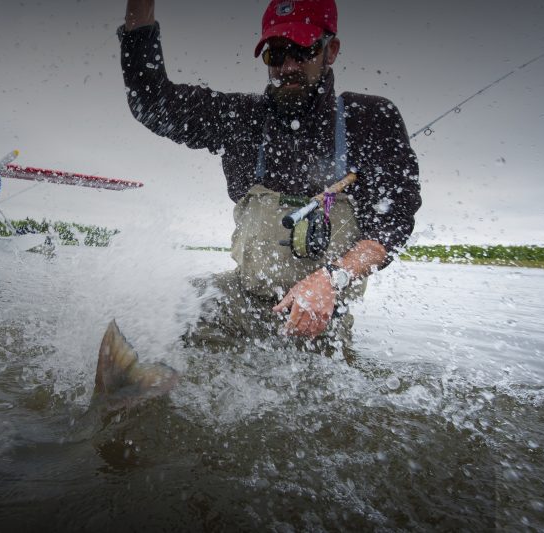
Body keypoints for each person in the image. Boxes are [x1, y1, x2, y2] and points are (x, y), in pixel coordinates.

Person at [119, 0, 421, 356]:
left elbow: (392, 227)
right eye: (276, 55)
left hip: (320, 318)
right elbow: (152, 103)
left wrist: (331, 278)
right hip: (241, 300)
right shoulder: (241, 119)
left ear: (331, 50)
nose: (288, 66)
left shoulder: (369, 120)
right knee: (151, 316)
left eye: (302, 51)